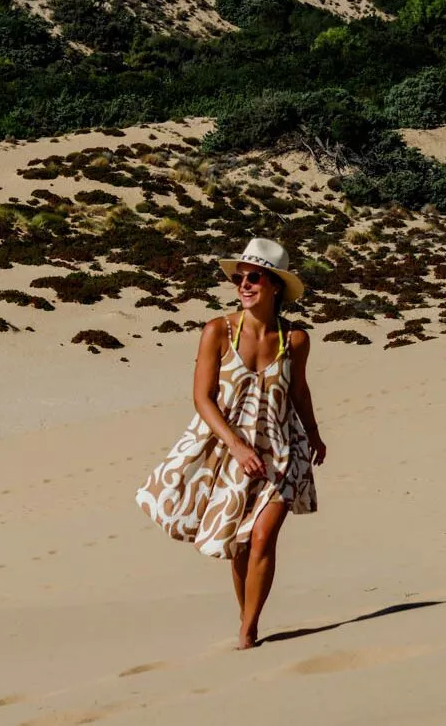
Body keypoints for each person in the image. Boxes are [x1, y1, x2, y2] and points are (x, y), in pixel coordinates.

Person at [136, 238, 326, 649]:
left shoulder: (295, 339)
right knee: (240, 544)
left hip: (282, 451)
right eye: (239, 279)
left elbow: (299, 391)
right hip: (229, 453)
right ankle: (246, 612)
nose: (244, 285)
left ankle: (249, 629)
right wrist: (238, 448)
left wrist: (313, 433)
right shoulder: (217, 332)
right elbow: (202, 398)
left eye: (253, 277)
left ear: (275, 285)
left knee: (263, 537)